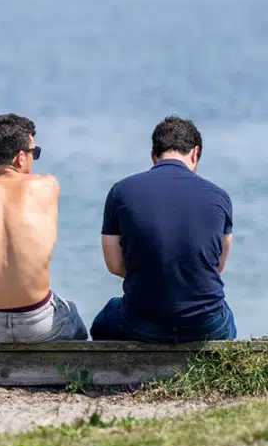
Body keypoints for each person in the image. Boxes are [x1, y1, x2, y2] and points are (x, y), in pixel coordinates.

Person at [90, 116, 236, 343]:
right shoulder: (220, 197)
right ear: (195, 153)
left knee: (105, 319)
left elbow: (115, 265)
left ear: (153, 155)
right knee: (226, 317)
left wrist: (151, 272)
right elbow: (217, 265)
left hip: (143, 322)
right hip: (205, 325)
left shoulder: (121, 192)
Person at [0, 113, 88, 342]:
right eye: (34, 153)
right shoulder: (47, 186)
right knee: (73, 315)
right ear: (20, 158)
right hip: (39, 323)